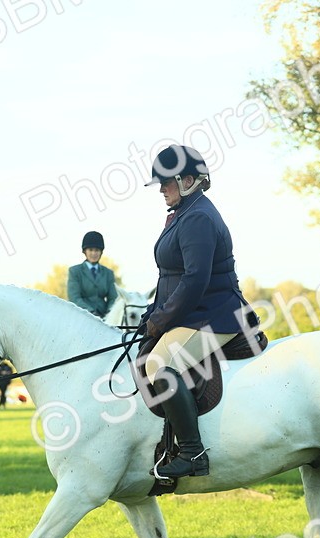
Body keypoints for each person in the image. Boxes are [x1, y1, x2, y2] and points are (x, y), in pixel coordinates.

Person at [140, 144, 252, 480]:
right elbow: (170, 279)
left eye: (166, 182)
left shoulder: (199, 217)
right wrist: (151, 313)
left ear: (188, 180)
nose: (160, 189)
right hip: (196, 312)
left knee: (159, 363)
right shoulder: (185, 214)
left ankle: (192, 452)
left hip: (216, 314)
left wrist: (161, 320)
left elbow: (194, 280)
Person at [67, 231, 118, 318]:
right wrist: (91, 312)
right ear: (85, 251)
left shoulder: (108, 273)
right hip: (82, 315)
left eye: (97, 250)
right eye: (90, 250)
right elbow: (74, 298)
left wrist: (109, 313)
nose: (94, 253)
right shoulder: (74, 271)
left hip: (104, 316)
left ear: (101, 252)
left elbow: (113, 298)